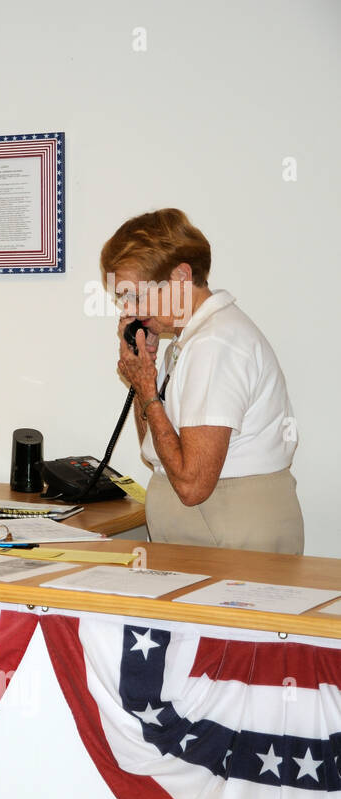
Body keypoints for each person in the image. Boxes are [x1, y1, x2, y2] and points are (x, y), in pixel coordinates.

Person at [106, 208, 303, 554]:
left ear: (181, 276)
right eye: (123, 299)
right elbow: (155, 448)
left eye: (136, 295)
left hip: (230, 533)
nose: (130, 311)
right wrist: (143, 380)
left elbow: (193, 484)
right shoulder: (187, 343)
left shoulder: (216, 343)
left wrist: (148, 388)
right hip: (203, 533)